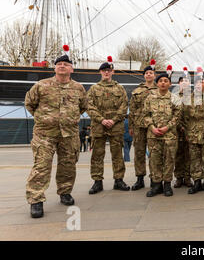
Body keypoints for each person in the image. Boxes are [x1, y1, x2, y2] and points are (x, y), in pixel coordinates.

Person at [25, 50, 87, 218]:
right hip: (45, 134)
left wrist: (68, 119)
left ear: (72, 69)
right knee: (42, 165)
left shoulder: (78, 88)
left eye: (66, 64)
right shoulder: (41, 85)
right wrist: (44, 118)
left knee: (68, 165)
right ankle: (36, 199)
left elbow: (82, 107)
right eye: (59, 64)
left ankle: (65, 192)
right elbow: (30, 104)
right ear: (54, 68)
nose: (62, 66)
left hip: (69, 134)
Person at [86, 57, 130, 194]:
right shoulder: (94, 89)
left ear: (113, 72)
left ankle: (119, 180)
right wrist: (101, 119)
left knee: (117, 155)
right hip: (99, 126)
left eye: (109, 70)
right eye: (104, 70)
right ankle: (97, 182)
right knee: (97, 155)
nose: (106, 73)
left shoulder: (120, 88)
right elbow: (89, 106)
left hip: (116, 126)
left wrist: (114, 119)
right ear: (100, 72)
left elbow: (124, 106)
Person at [143, 70, 182, 197]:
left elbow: (177, 116)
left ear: (170, 84)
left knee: (169, 160)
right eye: (161, 81)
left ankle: (167, 185)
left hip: (169, 136)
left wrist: (167, 127)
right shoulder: (150, 97)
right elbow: (145, 114)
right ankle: (156, 185)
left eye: (166, 81)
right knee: (154, 160)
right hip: (153, 135)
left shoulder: (175, 98)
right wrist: (152, 127)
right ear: (157, 83)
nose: (163, 83)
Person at [183, 75, 204, 194]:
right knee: (194, 158)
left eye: (201, 82)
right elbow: (184, 117)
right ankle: (197, 181)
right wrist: (187, 131)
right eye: (196, 83)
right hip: (193, 132)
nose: (198, 85)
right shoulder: (189, 99)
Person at [128, 60, 157, 190]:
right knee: (139, 153)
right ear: (144, 76)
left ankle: (154, 178)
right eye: (146, 73)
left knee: (154, 153)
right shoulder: (137, 91)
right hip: (139, 126)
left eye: (151, 73)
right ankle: (140, 179)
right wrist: (130, 126)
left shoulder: (159, 89)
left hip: (154, 126)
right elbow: (132, 110)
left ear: (154, 75)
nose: (149, 75)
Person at [174, 73, 192, 188]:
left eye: (186, 81)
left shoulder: (193, 96)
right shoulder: (173, 97)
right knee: (178, 155)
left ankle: (188, 177)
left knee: (189, 155)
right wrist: (179, 126)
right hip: (176, 130)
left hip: (190, 130)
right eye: (182, 81)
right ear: (179, 83)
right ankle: (179, 178)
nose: (184, 83)